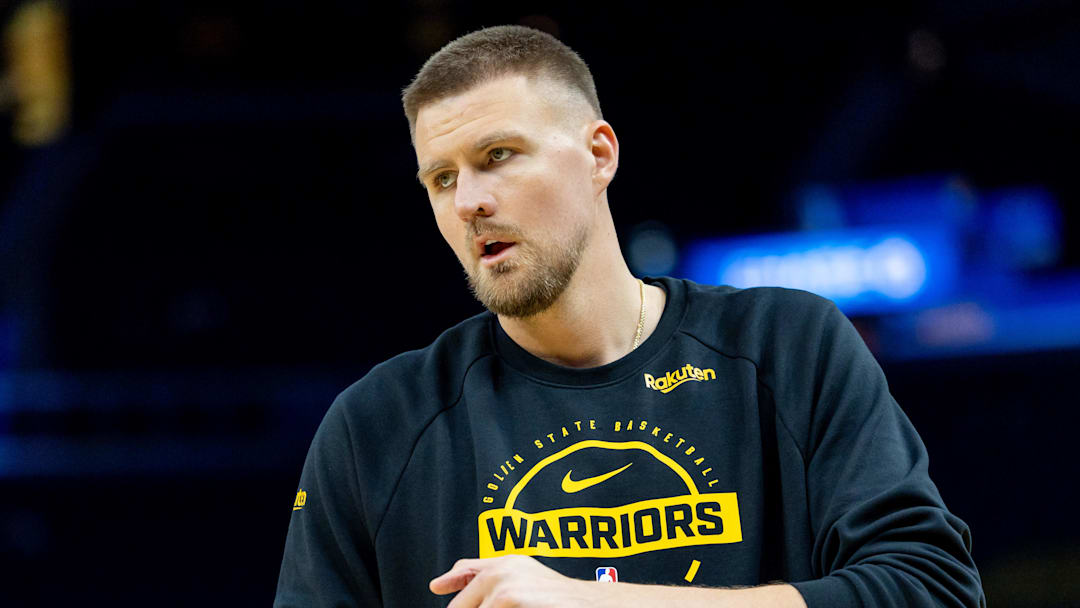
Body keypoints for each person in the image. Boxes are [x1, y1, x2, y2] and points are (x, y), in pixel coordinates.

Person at [274, 25, 985, 608]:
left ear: (598, 154)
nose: (469, 203)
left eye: (498, 156)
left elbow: (934, 591)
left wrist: (594, 601)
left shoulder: (786, 346)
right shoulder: (377, 425)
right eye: (442, 178)